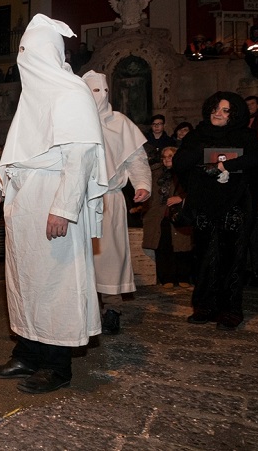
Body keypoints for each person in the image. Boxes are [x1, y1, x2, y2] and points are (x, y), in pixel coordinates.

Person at [0, 14, 108, 394]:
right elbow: (19, 154)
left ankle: (57, 366)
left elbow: (81, 154)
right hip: (25, 201)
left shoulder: (71, 92)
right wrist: (0, 190)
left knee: (56, 283)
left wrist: (64, 208)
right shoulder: (32, 100)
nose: (25, 62)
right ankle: (27, 355)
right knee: (26, 281)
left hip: (53, 198)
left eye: (30, 54)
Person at [172, 91, 258, 330]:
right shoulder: (197, 135)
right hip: (204, 205)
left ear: (234, 114)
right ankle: (204, 307)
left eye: (224, 110)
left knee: (232, 258)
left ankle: (230, 310)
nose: (217, 113)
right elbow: (179, 163)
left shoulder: (245, 136)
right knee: (203, 256)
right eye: (215, 108)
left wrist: (225, 164)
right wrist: (203, 151)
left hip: (235, 205)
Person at [82, 71, 152, 335]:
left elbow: (136, 158)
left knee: (110, 257)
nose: (100, 96)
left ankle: (112, 309)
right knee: (81, 258)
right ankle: (84, 308)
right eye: (94, 91)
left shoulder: (120, 122)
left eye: (104, 91)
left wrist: (143, 184)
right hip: (78, 200)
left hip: (109, 199)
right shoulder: (72, 120)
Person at [141, 146, 193, 288]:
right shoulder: (155, 173)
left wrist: (181, 198)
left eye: (171, 155)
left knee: (183, 246)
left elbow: (195, 190)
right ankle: (167, 278)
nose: (167, 158)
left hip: (181, 214)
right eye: (164, 156)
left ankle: (183, 277)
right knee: (163, 247)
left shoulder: (187, 171)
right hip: (160, 215)